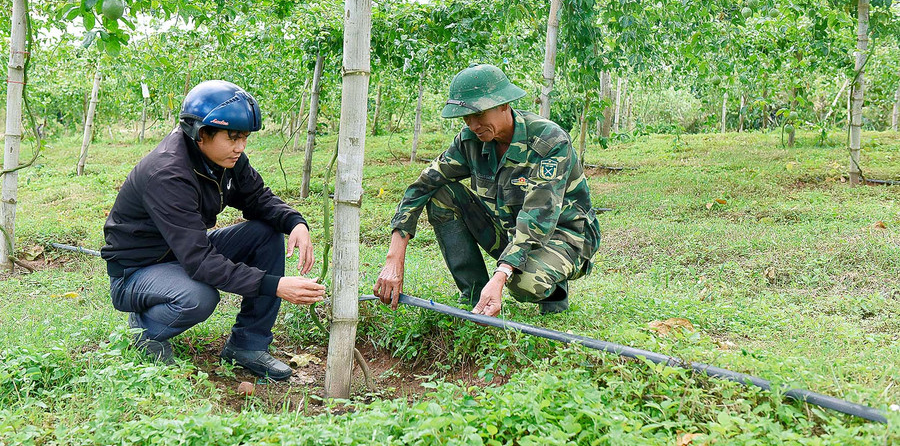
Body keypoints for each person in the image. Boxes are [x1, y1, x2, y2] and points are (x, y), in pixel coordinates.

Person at [102, 80, 325, 379]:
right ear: (201, 133)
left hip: (178, 253)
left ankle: (248, 345)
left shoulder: (223, 160)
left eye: (244, 137)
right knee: (199, 296)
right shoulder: (168, 174)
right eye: (233, 137)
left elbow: (257, 197)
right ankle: (146, 330)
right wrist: (276, 285)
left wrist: (294, 221)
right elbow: (200, 262)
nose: (240, 147)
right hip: (138, 271)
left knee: (265, 233)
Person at [374, 64, 601, 316]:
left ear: (504, 104)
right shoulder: (469, 141)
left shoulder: (548, 142)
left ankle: (554, 293)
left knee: (523, 283)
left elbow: (537, 219)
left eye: (478, 114)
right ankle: (475, 295)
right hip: (510, 233)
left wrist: (501, 275)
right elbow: (423, 185)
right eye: (466, 117)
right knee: (441, 195)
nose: (472, 125)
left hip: (563, 237)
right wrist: (394, 258)